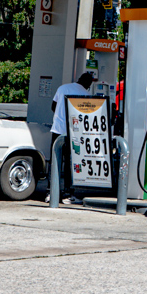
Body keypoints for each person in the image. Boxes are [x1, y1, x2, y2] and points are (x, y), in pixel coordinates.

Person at [49, 71, 96, 199]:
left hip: (57, 129)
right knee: (70, 162)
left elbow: (53, 106)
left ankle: (50, 191)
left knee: (55, 161)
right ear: (88, 84)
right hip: (73, 133)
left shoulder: (62, 88)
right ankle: (68, 192)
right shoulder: (86, 94)